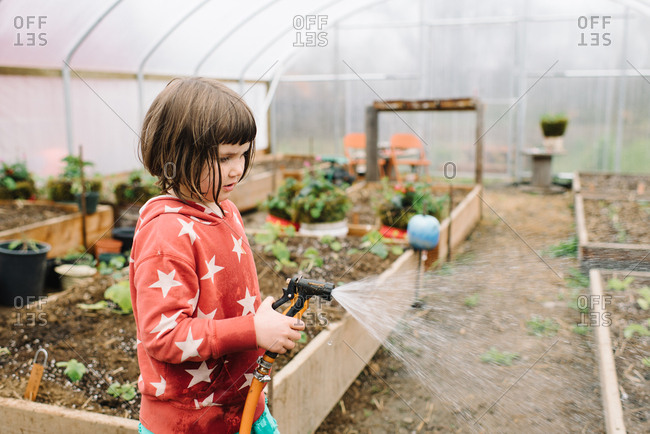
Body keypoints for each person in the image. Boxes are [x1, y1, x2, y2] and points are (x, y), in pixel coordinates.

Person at [130, 77, 304, 433]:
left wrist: (260, 317)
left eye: (242, 153)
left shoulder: (224, 210)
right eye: (225, 157)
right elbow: (163, 335)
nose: (238, 168)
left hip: (240, 404)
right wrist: (251, 329)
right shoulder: (166, 233)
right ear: (176, 154)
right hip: (189, 420)